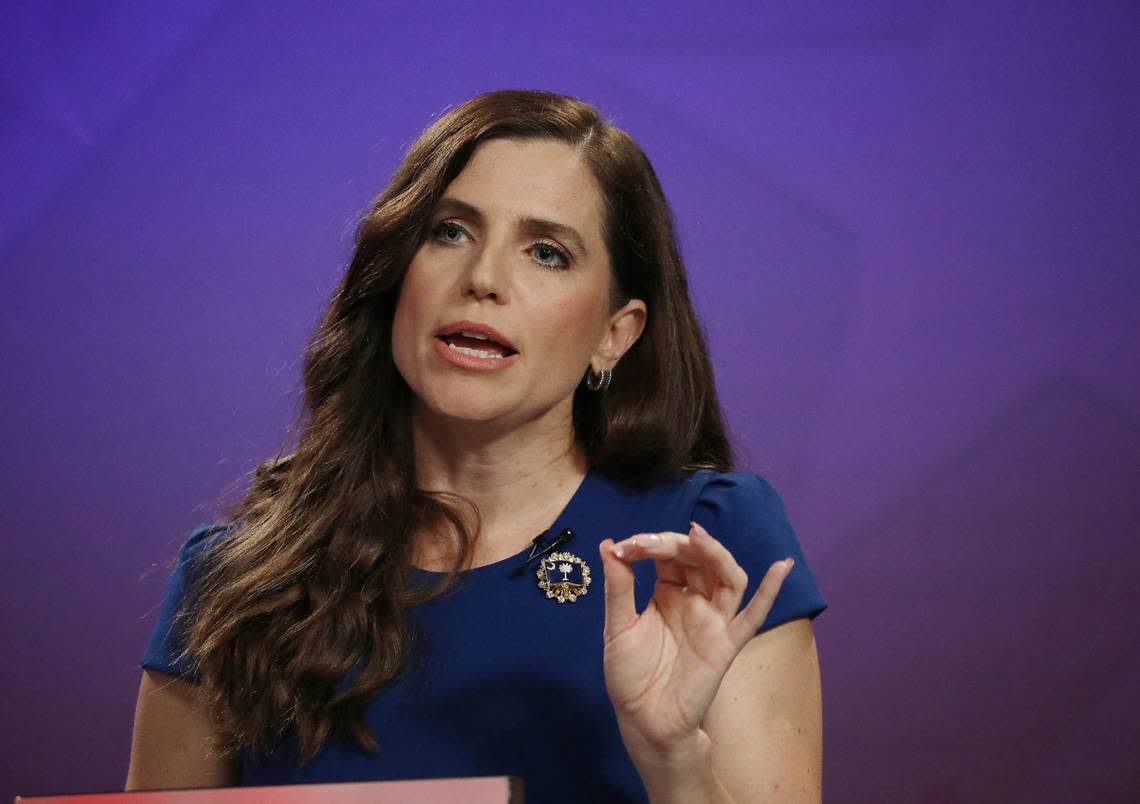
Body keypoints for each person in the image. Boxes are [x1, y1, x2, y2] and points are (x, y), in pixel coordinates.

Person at [126, 89, 826, 803]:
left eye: (547, 253)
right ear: (398, 270)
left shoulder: (707, 543)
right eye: (450, 232)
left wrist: (674, 759)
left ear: (615, 334)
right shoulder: (230, 581)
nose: (483, 280)